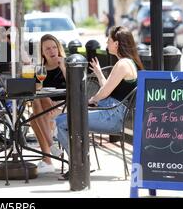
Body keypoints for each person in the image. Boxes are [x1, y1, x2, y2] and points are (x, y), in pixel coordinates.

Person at [55, 26, 143, 177]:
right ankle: (81, 162)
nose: (106, 43)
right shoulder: (128, 63)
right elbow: (109, 89)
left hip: (111, 116)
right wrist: (99, 73)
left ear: (116, 44)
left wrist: (92, 100)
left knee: (61, 122)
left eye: (109, 40)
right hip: (113, 114)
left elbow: (105, 93)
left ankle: (80, 165)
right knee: (67, 120)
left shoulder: (122, 64)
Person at [31, 34, 67, 174]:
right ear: (42, 53)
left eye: (54, 47)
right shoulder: (40, 69)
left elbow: (74, 88)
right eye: (47, 49)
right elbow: (36, 90)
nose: (52, 51)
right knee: (37, 98)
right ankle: (51, 144)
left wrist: (63, 67)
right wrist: (48, 100)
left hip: (65, 105)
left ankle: (47, 159)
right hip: (47, 108)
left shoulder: (67, 64)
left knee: (34, 120)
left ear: (58, 49)